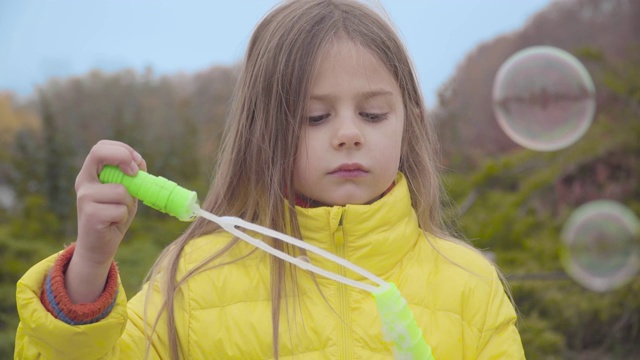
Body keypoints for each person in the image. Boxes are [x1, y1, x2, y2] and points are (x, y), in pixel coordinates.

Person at [15, 0, 525, 358]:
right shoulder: (192, 278)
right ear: (265, 132)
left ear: (407, 121)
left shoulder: (469, 286)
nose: (348, 134)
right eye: (314, 117)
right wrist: (90, 266)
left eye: (372, 114)